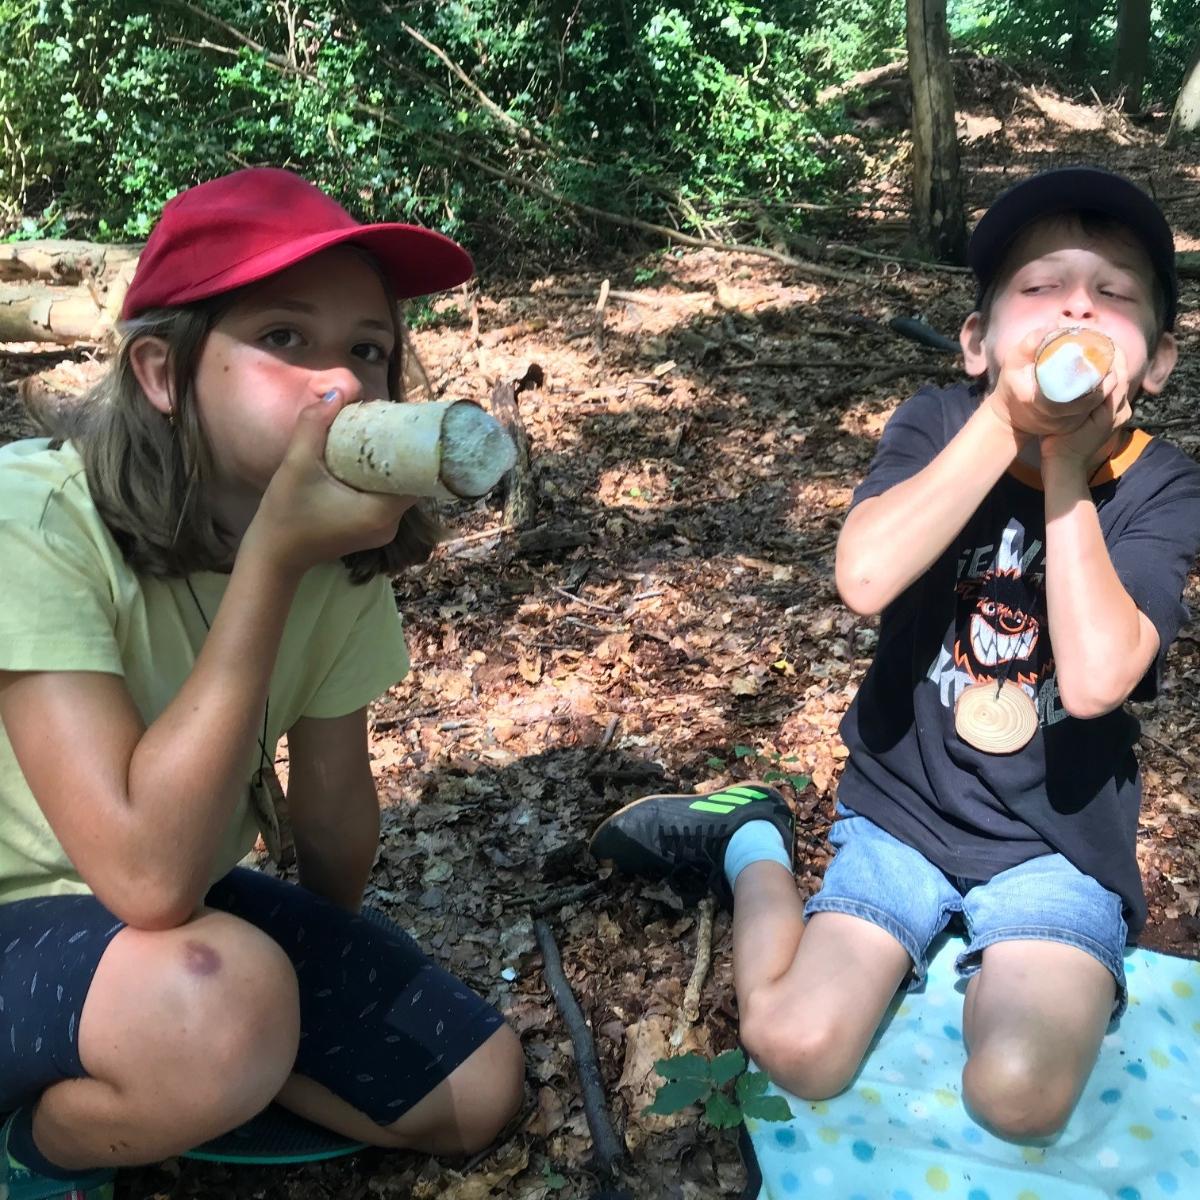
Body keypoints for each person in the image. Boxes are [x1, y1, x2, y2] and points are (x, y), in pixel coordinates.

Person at [589, 166, 1200, 1141]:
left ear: (1158, 362)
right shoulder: (941, 421)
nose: (1077, 302)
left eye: (1115, 291)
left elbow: (1094, 681)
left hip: (1059, 844)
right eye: (1040, 287)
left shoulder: (1163, 487)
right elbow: (865, 578)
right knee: (798, 1046)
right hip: (903, 813)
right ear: (976, 342)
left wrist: (1066, 472)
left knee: (1021, 1097)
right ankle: (754, 842)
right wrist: (1006, 422)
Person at [0, 167, 525, 1200]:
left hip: (164, 922)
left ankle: (191, 1070)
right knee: (217, 1007)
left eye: (368, 351)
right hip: (29, 910)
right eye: (285, 338)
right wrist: (272, 564)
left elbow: (333, 807)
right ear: (161, 372)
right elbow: (143, 882)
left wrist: (321, 964)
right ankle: (38, 1151)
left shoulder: (340, 552)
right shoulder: (32, 521)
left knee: (474, 1090)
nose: (338, 384)